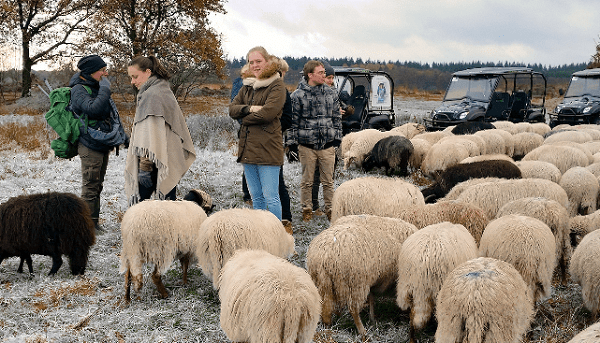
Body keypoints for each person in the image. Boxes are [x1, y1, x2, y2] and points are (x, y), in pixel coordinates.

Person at [124, 56, 196, 206]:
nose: (132, 82)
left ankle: (137, 228)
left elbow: (148, 137)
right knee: (168, 204)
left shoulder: (152, 95)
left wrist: (144, 167)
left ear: (148, 72)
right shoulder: (163, 89)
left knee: (138, 207)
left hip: (153, 162)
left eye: (135, 76)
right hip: (167, 158)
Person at [229, 46, 286, 221]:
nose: (254, 65)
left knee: (271, 197)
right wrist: (251, 109)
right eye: (251, 62)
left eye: (258, 61)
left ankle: (277, 235)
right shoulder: (247, 86)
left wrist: (244, 117)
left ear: (268, 62)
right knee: (256, 198)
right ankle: (260, 232)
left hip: (268, 149)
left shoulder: (277, 85)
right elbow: (232, 109)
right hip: (248, 149)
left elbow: (268, 113)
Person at [69, 54, 123, 230]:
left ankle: (94, 223)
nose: (105, 73)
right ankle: (86, 227)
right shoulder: (79, 89)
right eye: (102, 70)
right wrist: (105, 89)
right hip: (89, 144)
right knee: (90, 186)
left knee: (97, 185)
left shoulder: (95, 86)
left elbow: (107, 113)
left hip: (101, 143)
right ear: (91, 72)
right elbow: (93, 109)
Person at [289, 60, 342, 222]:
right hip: (307, 146)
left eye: (324, 72)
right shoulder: (297, 96)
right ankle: (307, 209)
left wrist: (337, 139)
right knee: (307, 180)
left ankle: (330, 210)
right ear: (310, 75)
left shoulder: (331, 93)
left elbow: (336, 118)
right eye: (320, 73)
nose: (324, 75)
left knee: (328, 181)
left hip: (327, 145)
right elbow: (292, 122)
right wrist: (291, 143)